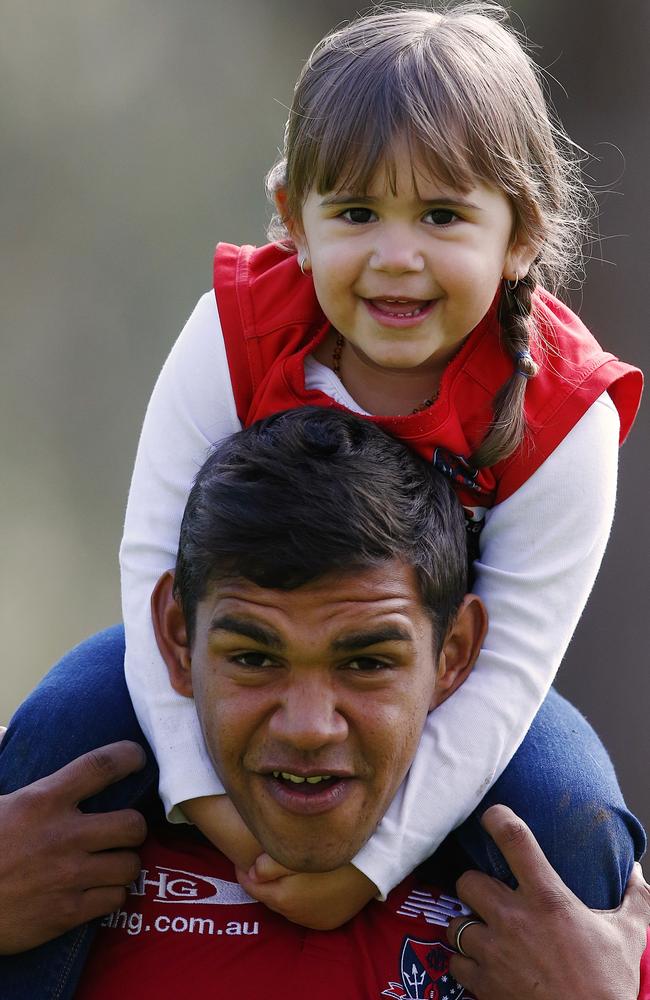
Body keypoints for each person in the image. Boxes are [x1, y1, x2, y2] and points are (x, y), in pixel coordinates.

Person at [0, 0, 645, 982]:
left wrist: (365, 865)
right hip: (230, 668)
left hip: (458, 690)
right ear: (290, 216)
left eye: (440, 215)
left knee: (569, 805)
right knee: (55, 736)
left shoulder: (567, 411)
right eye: (354, 213)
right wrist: (203, 800)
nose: (395, 254)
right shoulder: (234, 326)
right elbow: (150, 568)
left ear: (521, 235)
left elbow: (508, 664)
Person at [6, 408, 649, 999]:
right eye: (255, 659)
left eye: (367, 664)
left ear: (453, 654)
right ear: (176, 640)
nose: (309, 727)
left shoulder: (579, 945)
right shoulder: (36, 855)